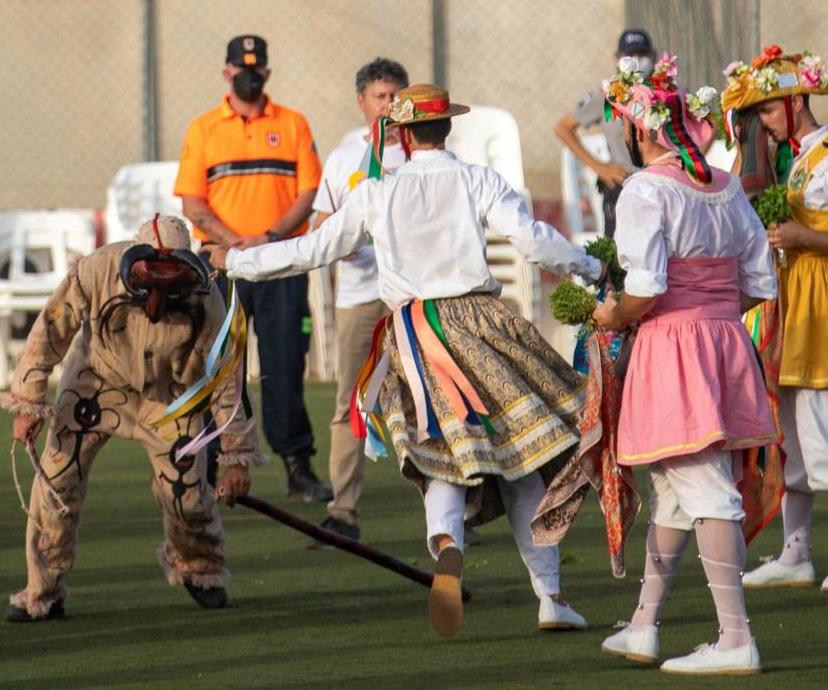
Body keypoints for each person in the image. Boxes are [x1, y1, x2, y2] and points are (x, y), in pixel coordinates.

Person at [217, 83, 599, 639]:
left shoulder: (377, 192)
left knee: (439, 456)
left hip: (416, 338)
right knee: (521, 461)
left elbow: (312, 250)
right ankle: (551, 596)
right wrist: (591, 268)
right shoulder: (477, 179)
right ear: (448, 129)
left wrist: (235, 261)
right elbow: (534, 241)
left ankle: (446, 542)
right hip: (486, 327)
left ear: (401, 133)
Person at [589, 53, 777, 676]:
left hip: (673, 345)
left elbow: (644, 287)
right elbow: (759, 281)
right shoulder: (723, 184)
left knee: (705, 489)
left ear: (642, 131)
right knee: (673, 491)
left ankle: (735, 638)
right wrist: (714, 311)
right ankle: (643, 625)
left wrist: (613, 317)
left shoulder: (647, 189)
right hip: (721, 339)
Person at [0, 218, 258, 624]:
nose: (157, 297)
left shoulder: (207, 298)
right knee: (55, 479)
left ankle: (200, 567)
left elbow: (226, 377)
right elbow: (49, 331)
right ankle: (42, 589)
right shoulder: (94, 271)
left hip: (172, 397)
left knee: (188, 497)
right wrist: (28, 402)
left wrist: (237, 455)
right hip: (95, 382)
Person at [721, 47, 828, 594]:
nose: (762, 123)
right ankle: (796, 553)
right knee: (788, 429)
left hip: (827, 303)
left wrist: (802, 237)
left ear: (796, 103)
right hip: (788, 303)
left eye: (768, 110)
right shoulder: (788, 163)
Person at [174, 35, 329, 503]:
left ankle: (297, 466)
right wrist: (232, 242)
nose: (249, 75)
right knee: (221, 369)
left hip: (279, 262)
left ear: (267, 72)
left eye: (256, 68)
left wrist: (269, 240)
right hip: (220, 266)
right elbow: (192, 204)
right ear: (225, 73)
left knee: (284, 366)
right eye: (241, 69)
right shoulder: (203, 128)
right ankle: (219, 464)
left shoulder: (293, 124)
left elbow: (308, 193)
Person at [311, 56, 409, 541]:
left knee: (431, 399)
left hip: (411, 296)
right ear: (361, 101)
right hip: (358, 295)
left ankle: (454, 511)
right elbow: (320, 222)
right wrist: (340, 241)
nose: (389, 106)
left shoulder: (419, 154)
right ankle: (343, 512)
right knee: (351, 401)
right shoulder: (344, 155)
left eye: (396, 96)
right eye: (380, 97)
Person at [555, 28, 655, 237]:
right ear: (618, 59)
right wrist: (599, 167)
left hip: (659, 184)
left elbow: (700, 131)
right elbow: (563, 128)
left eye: (642, 55)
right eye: (631, 55)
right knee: (618, 259)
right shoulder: (608, 95)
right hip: (623, 183)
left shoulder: (663, 93)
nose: (637, 61)